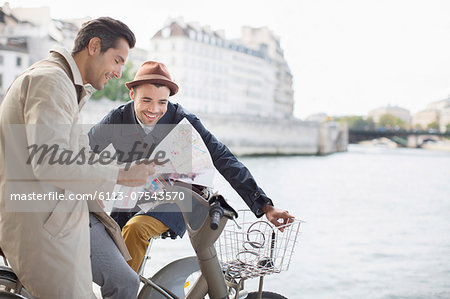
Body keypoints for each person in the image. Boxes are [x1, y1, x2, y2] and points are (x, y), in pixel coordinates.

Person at [89, 61, 294, 272]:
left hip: (178, 196)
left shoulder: (182, 119)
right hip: (134, 196)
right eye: (146, 100)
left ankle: (124, 291)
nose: (154, 109)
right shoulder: (118, 118)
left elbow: (222, 157)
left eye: (162, 102)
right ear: (132, 94)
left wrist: (264, 206)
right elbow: (84, 150)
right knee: (103, 236)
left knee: (136, 230)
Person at [0, 17, 153, 299]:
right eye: (117, 60)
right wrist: (121, 174)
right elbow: (49, 162)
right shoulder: (52, 82)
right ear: (94, 47)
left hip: (54, 220)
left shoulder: (60, 83)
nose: (119, 72)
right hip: (45, 228)